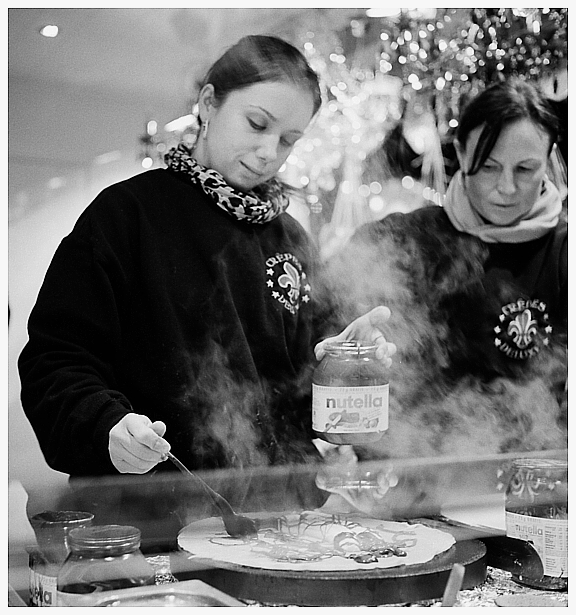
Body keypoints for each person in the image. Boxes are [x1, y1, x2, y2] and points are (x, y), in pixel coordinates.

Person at [18, 35, 396, 488]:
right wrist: (108, 426)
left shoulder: (290, 235)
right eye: (257, 124)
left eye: (288, 140)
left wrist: (342, 360)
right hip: (155, 507)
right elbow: (56, 360)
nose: (268, 153)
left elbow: (298, 380)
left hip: (279, 510)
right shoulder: (127, 215)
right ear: (209, 103)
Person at [324, 78, 567, 461]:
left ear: (550, 159)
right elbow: (321, 334)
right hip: (407, 480)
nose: (506, 187)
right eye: (488, 166)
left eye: (525, 169)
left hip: (535, 485)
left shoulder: (563, 252)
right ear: (461, 152)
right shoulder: (400, 241)